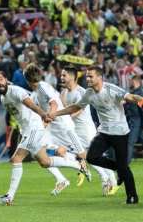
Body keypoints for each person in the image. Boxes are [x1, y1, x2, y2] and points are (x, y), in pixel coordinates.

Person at [48, 65, 142, 205]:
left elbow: (131, 97)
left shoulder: (111, 89)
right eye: (87, 76)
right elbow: (76, 107)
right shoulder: (89, 93)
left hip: (120, 133)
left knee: (123, 167)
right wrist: (55, 114)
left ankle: (132, 197)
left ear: (99, 77)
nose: (88, 79)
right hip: (104, 132)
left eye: (91, 76)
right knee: (91, 157)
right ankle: (119, 168)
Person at [0, 70, 87, 206]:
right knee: (44, 162)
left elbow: (30, 104)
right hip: (27, 130)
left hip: (34, 128)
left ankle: (9, 197)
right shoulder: (3, 97)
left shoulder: (16, 91)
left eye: (1, 79)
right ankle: (77, 165)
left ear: (5, 79)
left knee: (16, 159)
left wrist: (43, 114)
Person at [23, 63, 92, 195]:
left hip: (62, 126)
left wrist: (49, 116)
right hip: (53, 127)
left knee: (80, 154)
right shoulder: (35, 92)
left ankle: (103, 173)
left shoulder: (42, 87)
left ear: (27, 79)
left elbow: (53, 103)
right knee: (39, 153)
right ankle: (63, 178)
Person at [60, 66, 118, 196]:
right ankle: (92, 172)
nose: (62, 77)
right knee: (76, 155)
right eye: (62, 75)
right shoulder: (64, 93)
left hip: (86, 130)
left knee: (96, 157)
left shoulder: (81, 91)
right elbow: (63, 108)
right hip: (74, 131)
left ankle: (111, 181)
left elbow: (79, 109)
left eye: (64, 75)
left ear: (72, 76)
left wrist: (66, 118)